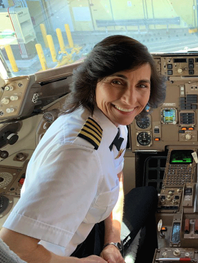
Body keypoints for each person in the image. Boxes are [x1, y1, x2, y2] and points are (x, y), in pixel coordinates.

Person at [0, 35, 166, 263]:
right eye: (117, 81)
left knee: (146, 194)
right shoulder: (79, 153)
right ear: (93, 81)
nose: (130, 99)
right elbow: (14, 247)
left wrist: (112, 242)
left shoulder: (112, 121)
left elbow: (114, 177)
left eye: (141, 85)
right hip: (55, 254)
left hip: (90, 227)